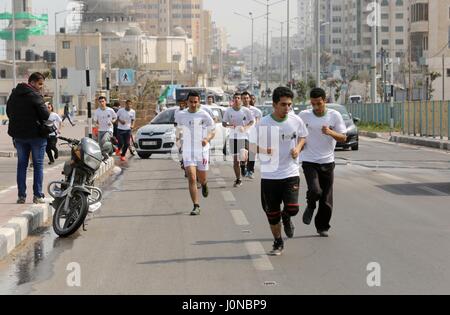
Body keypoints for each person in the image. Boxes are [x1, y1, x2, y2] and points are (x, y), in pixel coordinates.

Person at [252, 86, 308, 256]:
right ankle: (278, 242)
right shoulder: (263, 123)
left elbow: (303, 136)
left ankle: (287, 217)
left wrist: (298, 147)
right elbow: (251, 145)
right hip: (270, 175)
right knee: (272, 214)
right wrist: (264, 150)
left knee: (293, 209)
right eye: (283, 104)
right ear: (275, 105)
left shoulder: (295, 120)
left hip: (290, 172)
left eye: (289, 104)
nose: (287, 108)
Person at [299, 88, 347, 237]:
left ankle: (322, 226)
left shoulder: (335, 115)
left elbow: (343, 138)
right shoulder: (304, 115)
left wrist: (330, 132)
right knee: (315, 190)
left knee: (326, 198)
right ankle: (311, 205)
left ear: (325, 101)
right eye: (313, 104)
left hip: (327, 161)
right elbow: (296, 133)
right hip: (309, 160)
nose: (316, 107)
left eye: (318, 103)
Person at [6, 72, 50, 204]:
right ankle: (37, 195)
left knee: (21, 165)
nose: (41, 87)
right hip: (36, 136)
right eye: (40, 84)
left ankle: (21, 196)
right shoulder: (35, 95)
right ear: (32, 82)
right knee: (38, 165)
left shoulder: (14, 94)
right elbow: (45, 115)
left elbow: (9, 112)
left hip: (19, 136)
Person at [175, 91, 216, 216]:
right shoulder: (181, 115)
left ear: (199, 102)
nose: (193, 104)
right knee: (192, 177)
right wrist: (178, 141)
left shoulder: (204, 114)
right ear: (187, 102)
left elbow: (213, 130)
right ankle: (196, 206)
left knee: (202, 177)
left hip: (202, 150)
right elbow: (178, 130)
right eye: (191, 102)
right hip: (188, 150)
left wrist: (207, 139)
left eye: (195, 102)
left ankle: (204, 184)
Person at [222, 93, 254, 187]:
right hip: (233, 137)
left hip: (244, 136)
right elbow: (224, 123)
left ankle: (243, 165)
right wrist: (230, 125)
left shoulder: (246, 110)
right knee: (236, 161)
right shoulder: (228, 111)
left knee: (243, 156)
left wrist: (245, 127)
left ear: (241, 100)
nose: (236, 99)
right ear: (233, 100)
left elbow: (252, 121)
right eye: (235, 98)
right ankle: (238, 179)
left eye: (238, 98)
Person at [241, 91, 262, 179]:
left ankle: (250, 170)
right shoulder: (239, 110)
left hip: (252, 134)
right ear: (241, 99)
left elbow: (258, 121)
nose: (246, 100)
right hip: (242, 134)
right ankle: (243, 167)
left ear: (249, 99)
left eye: (247, 98)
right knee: (243, 154)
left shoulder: (256, 111)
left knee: (252, 153)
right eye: (244, 98)